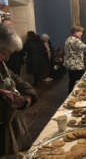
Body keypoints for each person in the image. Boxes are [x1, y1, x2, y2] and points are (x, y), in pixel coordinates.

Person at [0, 23, 38, 157]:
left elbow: (20, 82)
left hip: (9, 123)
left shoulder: (2, 65)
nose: (6, 58)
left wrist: (28, 97)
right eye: (3, 53)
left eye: (8, 53)